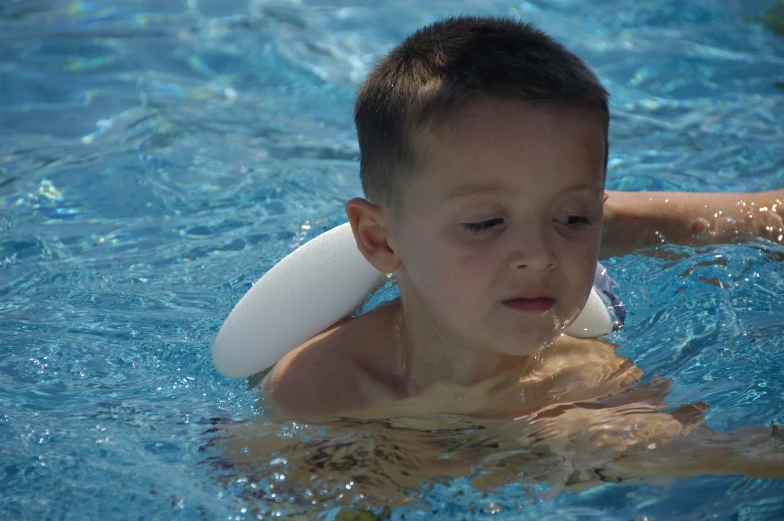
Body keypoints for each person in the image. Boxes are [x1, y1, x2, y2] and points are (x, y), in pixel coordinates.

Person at [258, 15, 783, 420]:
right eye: (484, 223)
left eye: (576, 218)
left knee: (711, 225)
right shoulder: (321, 389)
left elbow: (708, 459)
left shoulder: (589, 379)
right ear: (379, 239)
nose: (540, 257)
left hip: (593, 287)